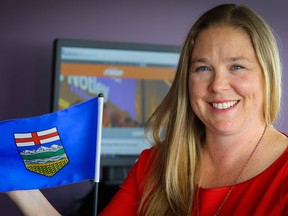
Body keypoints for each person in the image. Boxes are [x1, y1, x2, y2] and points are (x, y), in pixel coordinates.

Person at [6, 3, 288, 215]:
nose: (218, 85)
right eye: (203, 68)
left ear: (268, 75)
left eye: (237, 66)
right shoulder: (153, 165)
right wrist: (23, 190)